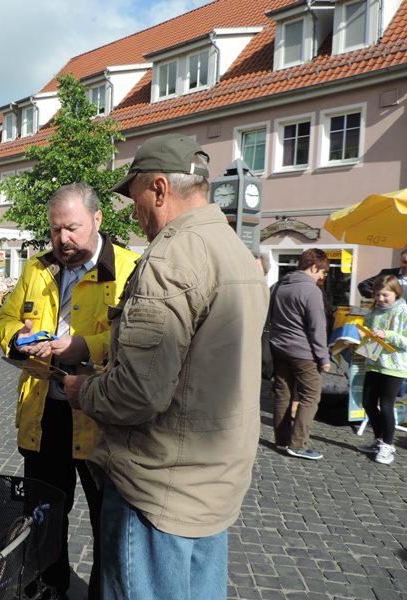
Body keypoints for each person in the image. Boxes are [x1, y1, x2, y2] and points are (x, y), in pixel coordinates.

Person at [63, 134, 268, 600]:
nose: (134, 214)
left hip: (157, 490)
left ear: (159, 189)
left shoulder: (172, 257)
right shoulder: (236, 251)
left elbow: (139, 393)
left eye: (135, 200)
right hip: (211, 484)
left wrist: (83, 392)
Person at [0, 182, 138, 600]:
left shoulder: (128, 269)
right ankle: (48, 587)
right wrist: (15, 338)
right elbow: (3, 319)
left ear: (98, 219)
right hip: (43, 415)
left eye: (72, 228)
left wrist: (83, 346)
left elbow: (137, 340)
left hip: (99, 421)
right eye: (55, 230)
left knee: (106, 521)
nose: (63, 240)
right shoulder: (37, 269)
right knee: (44, 517)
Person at [269, 248, 332, 460]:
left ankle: (282, 440)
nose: (322, 277)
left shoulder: (279, 285)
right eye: (322, 272)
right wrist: (324, 357)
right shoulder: (311, 290)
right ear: (314, 266)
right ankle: (297, 444)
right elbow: (317, 328)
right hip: (303, 352)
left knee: (283, 394)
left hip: (278, 348)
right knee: (311, 397)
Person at [357, 275, 407, 465]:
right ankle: (379, 440)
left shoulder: (403, 311)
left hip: (395, 366)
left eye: (385, 295)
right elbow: (370, 339)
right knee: (368, 403)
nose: (380, 299)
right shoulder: (372, 312)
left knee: (386, 405)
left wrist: (388, 334)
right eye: (377, 295)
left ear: (396, 293)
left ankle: (388, 445)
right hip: (374, 363)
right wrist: (362, 339)